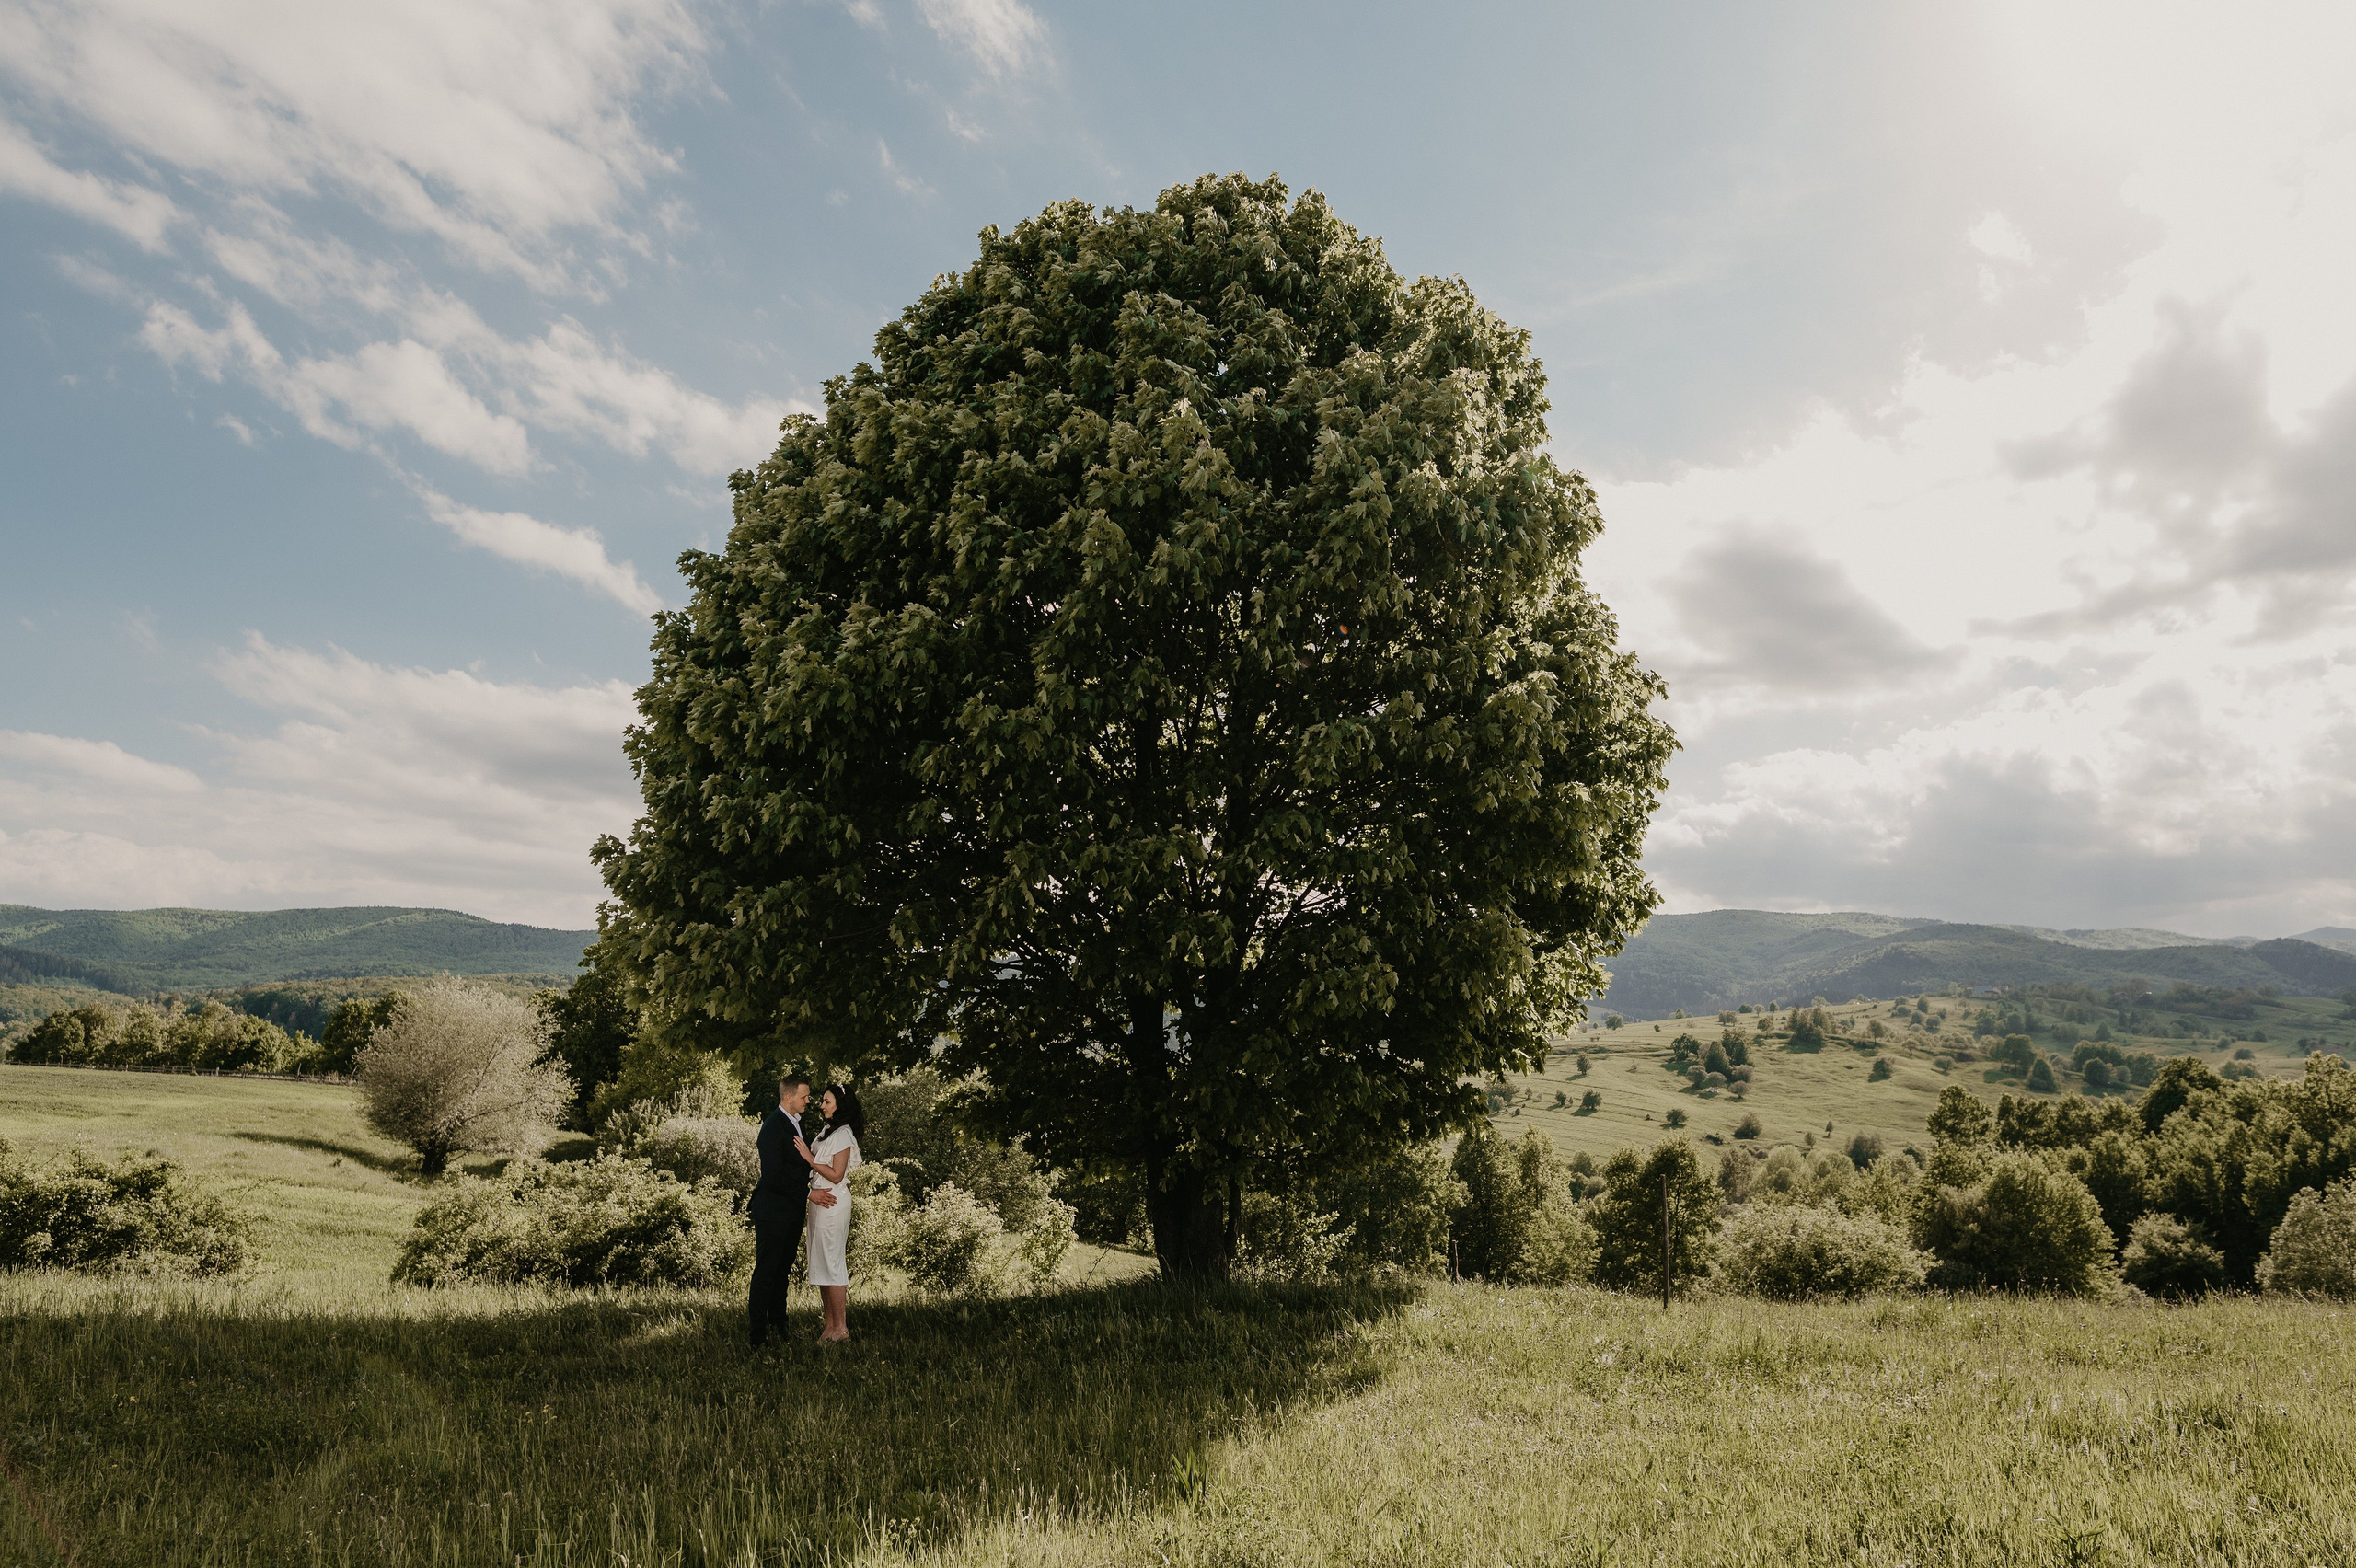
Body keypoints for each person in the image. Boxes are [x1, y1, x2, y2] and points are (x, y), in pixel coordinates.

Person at [746, 1074, 835, 1348]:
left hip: (791, 1211)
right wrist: (810, 1193)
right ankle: (757, 1338)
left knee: (782, 1271)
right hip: (772, 1211)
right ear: (788, 1097)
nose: (809, 1101)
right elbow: (773, 1177)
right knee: (766, 1273)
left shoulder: (797, 1123)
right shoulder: (772, 1128)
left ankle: (779, 1325)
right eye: (804, 1096)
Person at [796, 1082, 864, 1343]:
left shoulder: (844, 1134)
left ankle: (841, 1328)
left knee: (833, 1263)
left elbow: (836, 1174)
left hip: (833, 1202)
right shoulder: (828, 1131)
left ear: (840, 1106)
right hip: (818, 1200)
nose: (821, 1105)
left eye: (827, 1101)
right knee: (822, 1262)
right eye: (822, 1101)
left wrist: (809, 1159)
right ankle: (829, 1327)